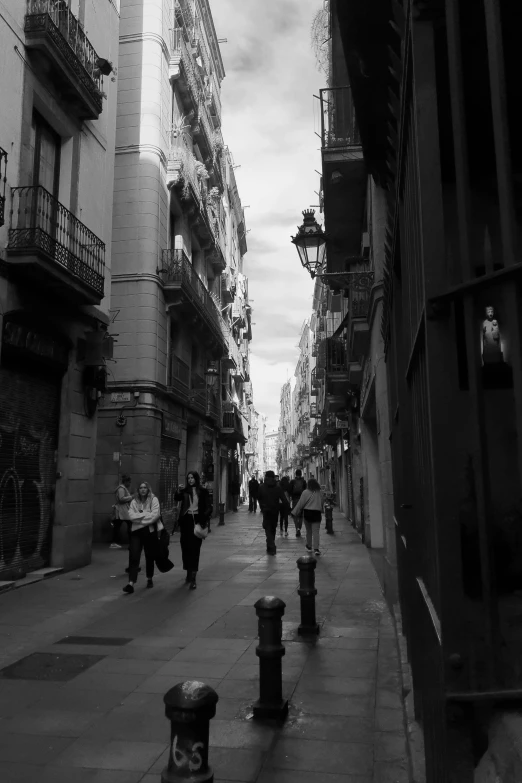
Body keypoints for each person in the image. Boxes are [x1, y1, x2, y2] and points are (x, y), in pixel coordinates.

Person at [123, 481, 162, 594]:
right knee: (134, 555)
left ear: (148, 489)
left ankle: (149, 578)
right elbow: (131, 516)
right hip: (136, 532)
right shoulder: (134, 501)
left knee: (149, 556)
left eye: (145, 487)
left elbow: (155, 515)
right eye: (141, 488)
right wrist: (146, 515)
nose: (143, 489)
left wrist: (139, 518)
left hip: (149, 532)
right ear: (138, 490)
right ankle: (131, 583)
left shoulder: (154, 500)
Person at [175, 471, 212, 589]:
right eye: (188, 478)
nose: (190, 480)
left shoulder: (203, 491)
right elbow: (177, 498)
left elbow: (209, 507)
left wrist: (203, 519)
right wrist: (178, 490)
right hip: (186, 521)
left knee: (195, 549)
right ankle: (188, 571)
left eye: (192, 478)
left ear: (196, 478)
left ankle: (193, 578)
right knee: (185, 548)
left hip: (197, 520)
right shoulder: (185, 491)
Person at [258, 470, 291, 555]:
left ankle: (271, 546)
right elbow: (284, 499)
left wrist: (262, 506)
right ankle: (271, 546)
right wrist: (288, 509)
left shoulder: (261, 487)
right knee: (272, 528)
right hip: (275, 511)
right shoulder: (278, 487)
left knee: (267, 528)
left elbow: (259, 498)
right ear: (273, 477)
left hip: (266, 511)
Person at [291, 477, 324, 556]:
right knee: (316, 532)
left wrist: (294, 512)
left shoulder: (305, 492)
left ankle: (309, 546)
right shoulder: (319, 492)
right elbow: (322, 502)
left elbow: (300, 503)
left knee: (308, 531)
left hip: (307, 513)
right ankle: (316, 549)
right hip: (316, 513)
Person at [111, 474, 133, 549]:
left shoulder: (122, 488)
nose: (130, 484)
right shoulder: (121, 489)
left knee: (117, 526)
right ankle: (131, 543)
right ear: (126, 482)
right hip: (122, 510)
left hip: (122, 510)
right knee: (129, 524)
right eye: (129, 482)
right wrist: (131, 497)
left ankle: (114, 542)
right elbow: (121, 499)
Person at [289, 469, 307, 537]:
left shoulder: (292, 481)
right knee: (301, 515)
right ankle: (299, 528)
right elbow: (306, 490)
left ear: (295, 474)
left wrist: (292, 497)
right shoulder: (304, 481)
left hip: (295, 500)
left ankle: (297, 529)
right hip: (302, 500)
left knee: (295, 515)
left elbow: (290, 491)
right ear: (301, 474)